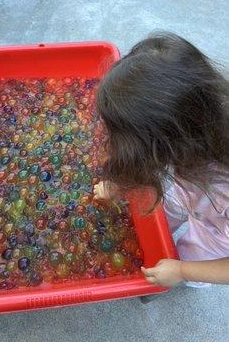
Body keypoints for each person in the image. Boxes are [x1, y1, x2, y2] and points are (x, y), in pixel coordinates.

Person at [93, 32, 229, 287]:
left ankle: (189, 276)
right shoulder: (190, 132)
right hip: (190, 190)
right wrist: (120, 185)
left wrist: (182, 271)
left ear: (165, 140)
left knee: (188, 257)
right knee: (159, 220)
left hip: (220, 232)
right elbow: (151, 160)